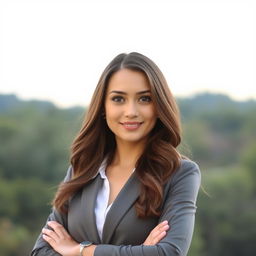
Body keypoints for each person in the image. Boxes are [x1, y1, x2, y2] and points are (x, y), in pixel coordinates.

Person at [31, 52, 201, 256]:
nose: (131, 111)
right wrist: (139, 252)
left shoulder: (179, 173)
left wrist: (80, 251)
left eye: (145, 99)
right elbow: (41, 251)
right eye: (118, 99)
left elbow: (169, 253)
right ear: (103, 107)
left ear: (159, 106)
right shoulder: (82, 169)